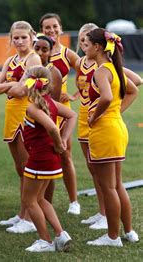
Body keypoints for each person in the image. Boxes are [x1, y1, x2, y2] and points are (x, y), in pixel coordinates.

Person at [75, 23, 142, 230]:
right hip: (116, 128)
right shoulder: (114, 67)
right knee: (116, 184)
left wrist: (94, 117)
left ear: (97, 47)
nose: (84, 44)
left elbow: (106, 97)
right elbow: (131, 91)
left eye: (88, 41)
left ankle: (112, 236)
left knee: (109, 187)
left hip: (106, 130)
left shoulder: (102, 71)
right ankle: (128, 232)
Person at [0, 21, 41, 234]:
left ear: (32, 36)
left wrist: (8, 87)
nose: (19, 41)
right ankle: (22, 213)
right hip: (11, 115)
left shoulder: (33, 58)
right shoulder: (11, 59)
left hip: (27, 114)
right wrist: (8, 87)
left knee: (28, 167)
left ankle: (30, 219)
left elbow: (23, 91)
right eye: (15, 38)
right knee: (20, 168)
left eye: (23, 37)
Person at [20, 66, 76, 252]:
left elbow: (52, 128)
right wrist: (65, 139)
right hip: (48, 159)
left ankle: (45, 241)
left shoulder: (34, 107)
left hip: (40, 159)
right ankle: (61, 235)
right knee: (40, 198)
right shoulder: (49, 102)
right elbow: (72, 115)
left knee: (28, 200)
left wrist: (61, 143)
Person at [40, 13, 80, 215]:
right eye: (47, 27)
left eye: (54, 26)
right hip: (41, 111)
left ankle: (74, 201)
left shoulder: (68, 54)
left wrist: (73, 95)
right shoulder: (37, 52)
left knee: (65, 154)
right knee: (44, 156)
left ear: (61, 28)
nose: (51, 30)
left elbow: (88, 75)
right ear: (41, 30)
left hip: (62, 111)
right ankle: (46, 202)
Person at [32, 33, 62, 203]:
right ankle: (31, 207)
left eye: (45, 50)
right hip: (31, 121)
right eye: (37, 48)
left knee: (47, 170)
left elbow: (54, 105)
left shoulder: (53, 72)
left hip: (46, 124)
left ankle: (45, 204)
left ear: (50, 52)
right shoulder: (31, 68)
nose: (41, 53)